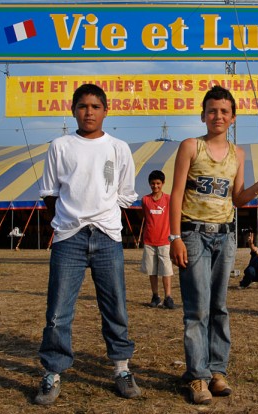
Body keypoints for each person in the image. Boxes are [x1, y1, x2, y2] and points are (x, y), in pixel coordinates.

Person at [169, 85, 258, 405]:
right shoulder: (191, 146)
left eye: (224, 111)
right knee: (197, 308)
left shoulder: (238, 154)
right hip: (193, 235)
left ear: (233, 117)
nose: (218, 116)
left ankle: (217, 371)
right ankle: (197, 377)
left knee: (219, 307)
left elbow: (238, 198)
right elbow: (176, 193)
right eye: (212, 110)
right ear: (202, 115)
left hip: (225, 236)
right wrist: (175, 237)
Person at [34, 84, 141, 406]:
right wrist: (66, 222)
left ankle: (121, 368)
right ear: (73, 110)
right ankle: (53, 372)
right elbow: (50, 193)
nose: (89, 112)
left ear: (106, 110)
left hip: (107, 237)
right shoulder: (60, 146)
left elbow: (124, 194)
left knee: (115, 307)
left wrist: (105, 220)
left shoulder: (118, 148)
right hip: (69, 237)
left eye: (95, 106)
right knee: (58, 311)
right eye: (83, 106)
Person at [140, 170, 175, 309]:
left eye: (158, 183)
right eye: (153, 183)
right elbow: (145, 216)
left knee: (166, 271)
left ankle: (168, 296)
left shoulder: (168, 199)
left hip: (165, 241)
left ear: (163, 183)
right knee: (152, 270)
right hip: (149, 241)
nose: (155, 186)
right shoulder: (145, 200)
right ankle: (155, 295)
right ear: (149, 184)